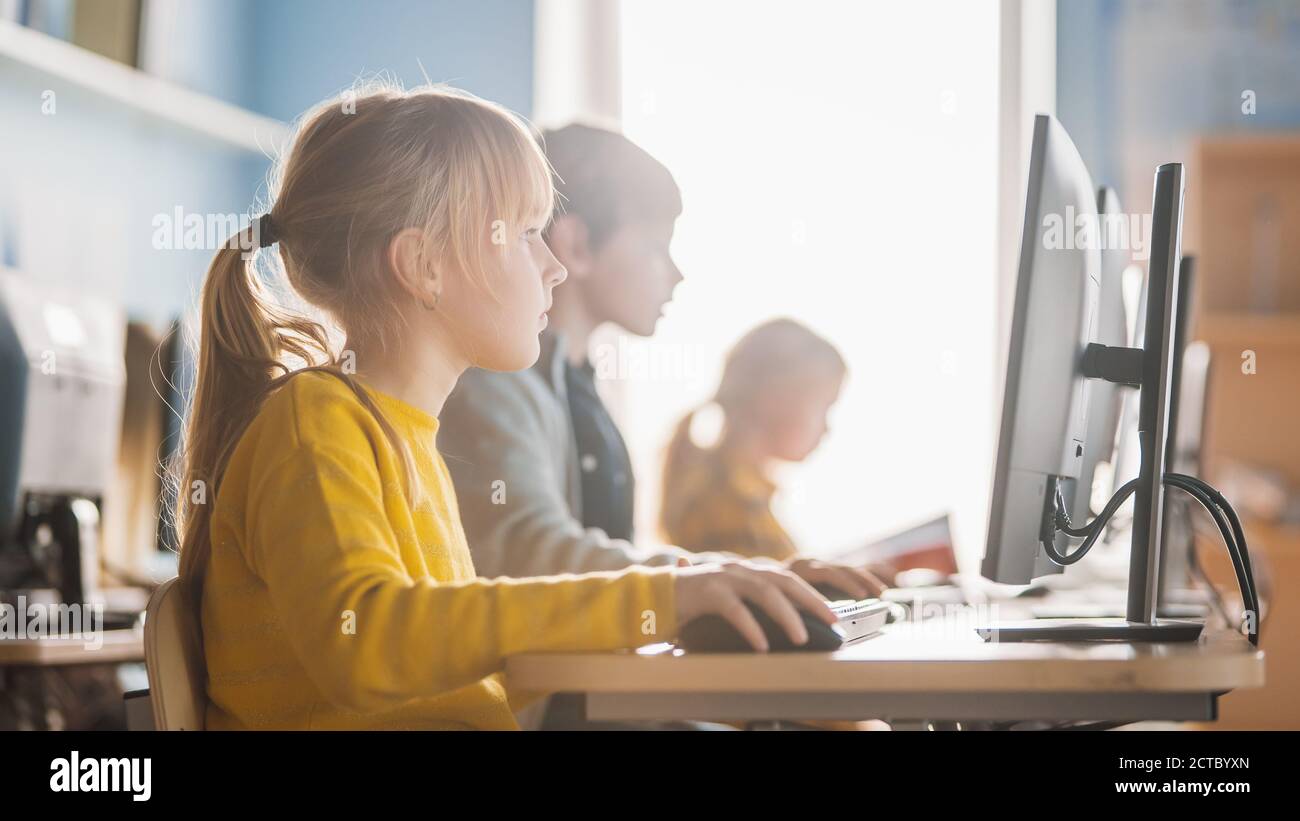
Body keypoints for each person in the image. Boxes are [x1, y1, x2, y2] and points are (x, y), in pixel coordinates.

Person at [175, 84, 834, 730]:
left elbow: (452, 674)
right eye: (523, 232)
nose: (552, 265)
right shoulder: (316, 424)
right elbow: (368, 641)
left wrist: (692, 593)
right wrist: (656, 598)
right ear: (424, 265)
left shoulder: (401, 433)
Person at [660, 319, 850, 562]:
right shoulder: (725, 509)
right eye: (824, 406)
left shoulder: (744, 496)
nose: (826, 428)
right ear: (774, 398)